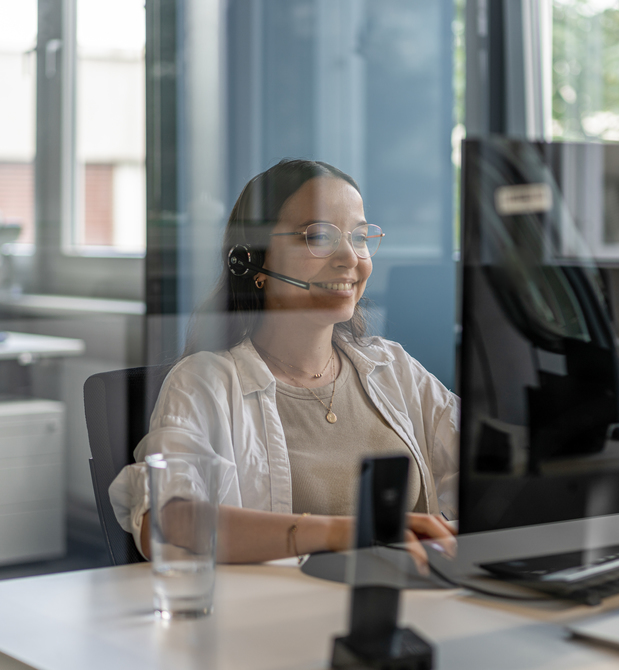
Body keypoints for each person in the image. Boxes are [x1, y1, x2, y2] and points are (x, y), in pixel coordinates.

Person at [109, 159, 459, 564]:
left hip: (410, 606)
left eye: (360, 236)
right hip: (282, 619)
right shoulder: (206, 382)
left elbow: (486, 468)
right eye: (320, 236)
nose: (350, 257)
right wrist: (337, 533)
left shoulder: (393, 368)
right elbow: (167, 523)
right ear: (255, 262)